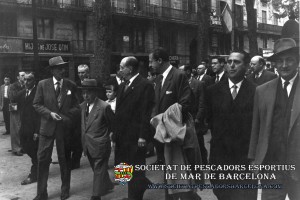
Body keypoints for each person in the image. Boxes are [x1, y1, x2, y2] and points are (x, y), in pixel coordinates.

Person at [248, 38, 300, 200]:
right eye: (280, 61)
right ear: (275, 64)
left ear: (297, 61)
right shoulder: (262, 91)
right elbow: (256, 128)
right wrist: (253, 158)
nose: (284, 65)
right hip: (271, 166)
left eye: (289, 60)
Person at [150, 48, 202, 200]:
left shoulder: (179, 75)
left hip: (177, 134)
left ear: (160, 60)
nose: (150, 64)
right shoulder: (159, 79)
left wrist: (162, 119)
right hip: (164, 135)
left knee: (180, 174)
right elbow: (156, 105)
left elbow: (186, 104)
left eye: (151, 61)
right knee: (171, 174)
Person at [206, 51, 257, 200]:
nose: (232, 65)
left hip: (244, 159)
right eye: (229, 62)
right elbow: (210, 121)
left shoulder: (256, 91)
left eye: (237, 62)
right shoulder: (212, 91)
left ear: (247, 66)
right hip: (221, 158)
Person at [33, 56, 80, 200]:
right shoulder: (42, 84)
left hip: (64, 129)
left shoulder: (71, 85)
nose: (62, 70)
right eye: (59, 68)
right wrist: (50, 114)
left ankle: (65, 190)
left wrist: (65, 116)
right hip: (47, 128)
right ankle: (41, 193)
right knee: (42, 160)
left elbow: (77, 107)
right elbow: (36, 104)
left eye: (63, 67)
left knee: (65, 160)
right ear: (52, 70)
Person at [113, 56, 154, 200]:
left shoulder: (145, 85)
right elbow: (118, 111)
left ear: (130, 69)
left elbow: (146, 111)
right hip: (122, 136)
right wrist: (115, 135)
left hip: (135, 136)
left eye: (121, 67)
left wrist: (143, 135)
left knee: (136, 167)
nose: (119, 70)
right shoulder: (123, 85)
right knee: (125, 168)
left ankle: (135, 196)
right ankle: (135, 191)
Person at [80, 79, 115, 200]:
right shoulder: (82, 106)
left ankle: (96, 195)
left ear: (95, 92)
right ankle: (108, 185)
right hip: (88, 145)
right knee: (96, 169)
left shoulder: (104, 107)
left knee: (98, 168)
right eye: (83, 93)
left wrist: (108, 136)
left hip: (100, 144)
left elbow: (113, 124)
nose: (86, 95)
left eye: (88, 92)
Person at [179, 65, 208, 164]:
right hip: (185, 118)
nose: (179, 72)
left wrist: (198, 118)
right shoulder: (180, 83)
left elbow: (202, 102)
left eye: (181, 70)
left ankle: (203, 161)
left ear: (187, 71)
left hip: (195, 118)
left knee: (199, 142)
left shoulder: (199, 84)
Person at [19, 72, 40, 185]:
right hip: (24, 128)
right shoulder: (23, 93)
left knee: (34, 151)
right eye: (25, 80)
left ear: (34, 81)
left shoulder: (38, 93)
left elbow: (39, 114)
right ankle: (41, 162)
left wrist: (37, 131)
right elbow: (13, 98)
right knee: (26, 147)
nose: (26, 82)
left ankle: (34, 175)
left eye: (29, 80)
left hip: (34, 129)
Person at [9, 71, 26, 156]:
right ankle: (16, 149)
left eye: (25, 75)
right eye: (22, 75)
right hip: (15, 109)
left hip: (23, 109)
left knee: (22, 128)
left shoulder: (26, 85)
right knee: (15, 129)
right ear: (18, 77)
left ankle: (22, 147)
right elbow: (13, 97)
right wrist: (24, 90)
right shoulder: (13, 86)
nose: (24, 77)